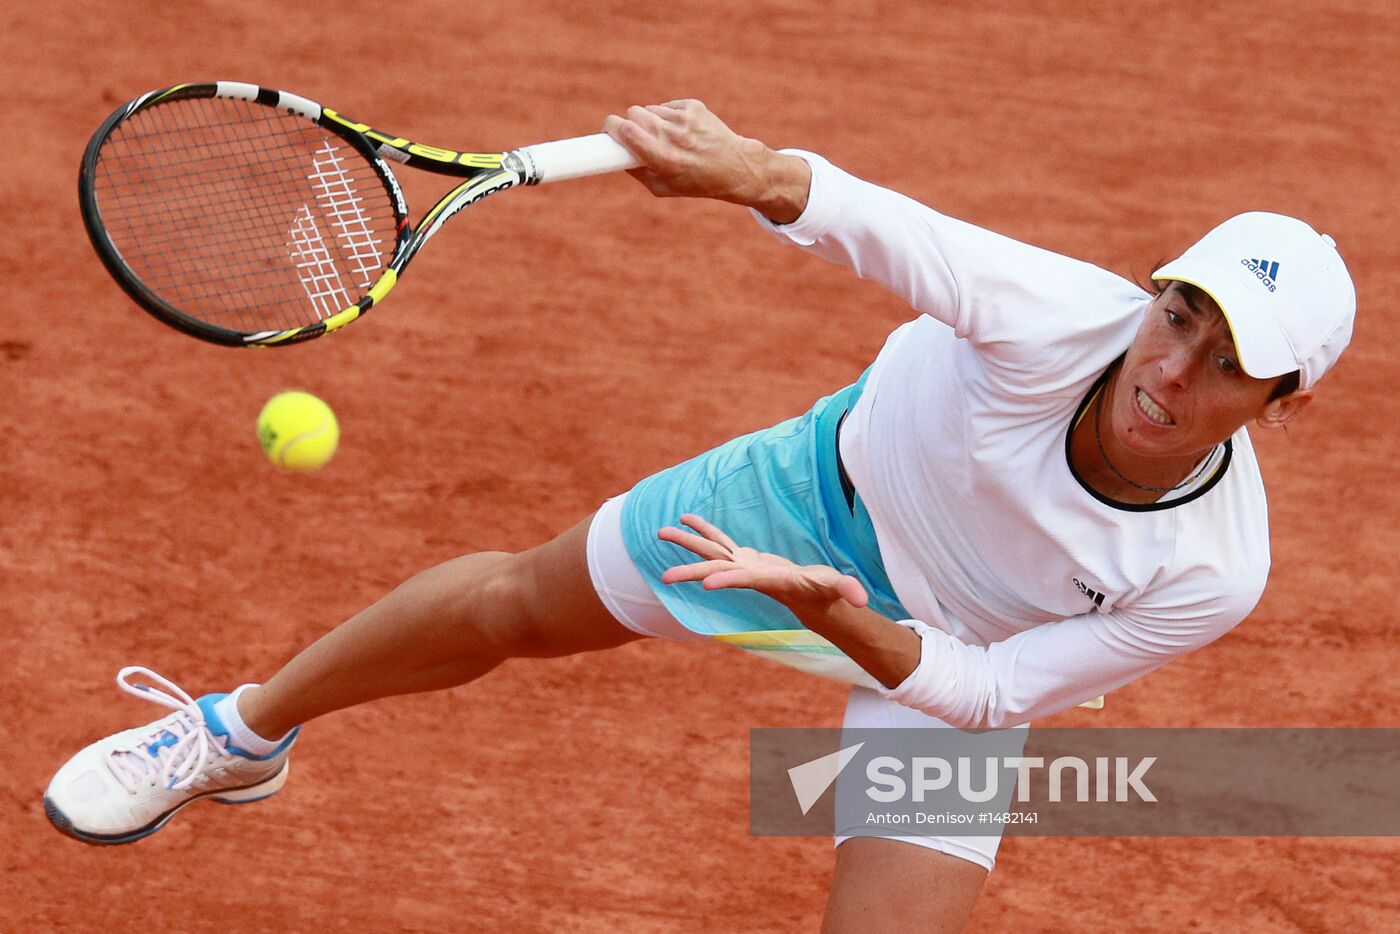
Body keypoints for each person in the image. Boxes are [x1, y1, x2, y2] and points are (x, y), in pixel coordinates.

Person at [45, 100, 1355, 931]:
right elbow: (880, 227)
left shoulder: (1211, 569)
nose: (1173, 369)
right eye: (1179, 314)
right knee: (516, 605)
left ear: (1278, 399)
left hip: (940, 653)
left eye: (1230, 362)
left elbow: (988, 685)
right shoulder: (1055, 310)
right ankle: (239, 731)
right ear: (1154, 294)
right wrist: (740, 168)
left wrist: (832, 617)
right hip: (802, 496)